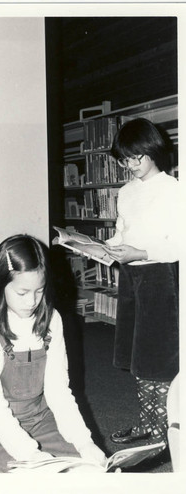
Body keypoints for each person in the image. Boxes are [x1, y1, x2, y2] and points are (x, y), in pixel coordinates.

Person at [0, 234, 107, 472]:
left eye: (39, 291)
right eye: (22, 293)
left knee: (90, 467)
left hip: (42, 418)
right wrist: (30, 454)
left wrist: (84, 442)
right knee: (38, 476)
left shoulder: (52, 319)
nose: (31, 301)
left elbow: (58, 391)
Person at [103, 118, 179, 447]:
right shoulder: (125, 192)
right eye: (125, 159)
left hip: (164, 275)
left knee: (160, 357)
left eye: (138, 157)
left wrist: (142, 251)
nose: (132, 165)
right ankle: (148, 422)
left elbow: (180, 244)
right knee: (138, 355)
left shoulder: (174, 190)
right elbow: (123, 232)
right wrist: (104, 246)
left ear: (153, 152)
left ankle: (166, 434)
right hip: (132, 276)